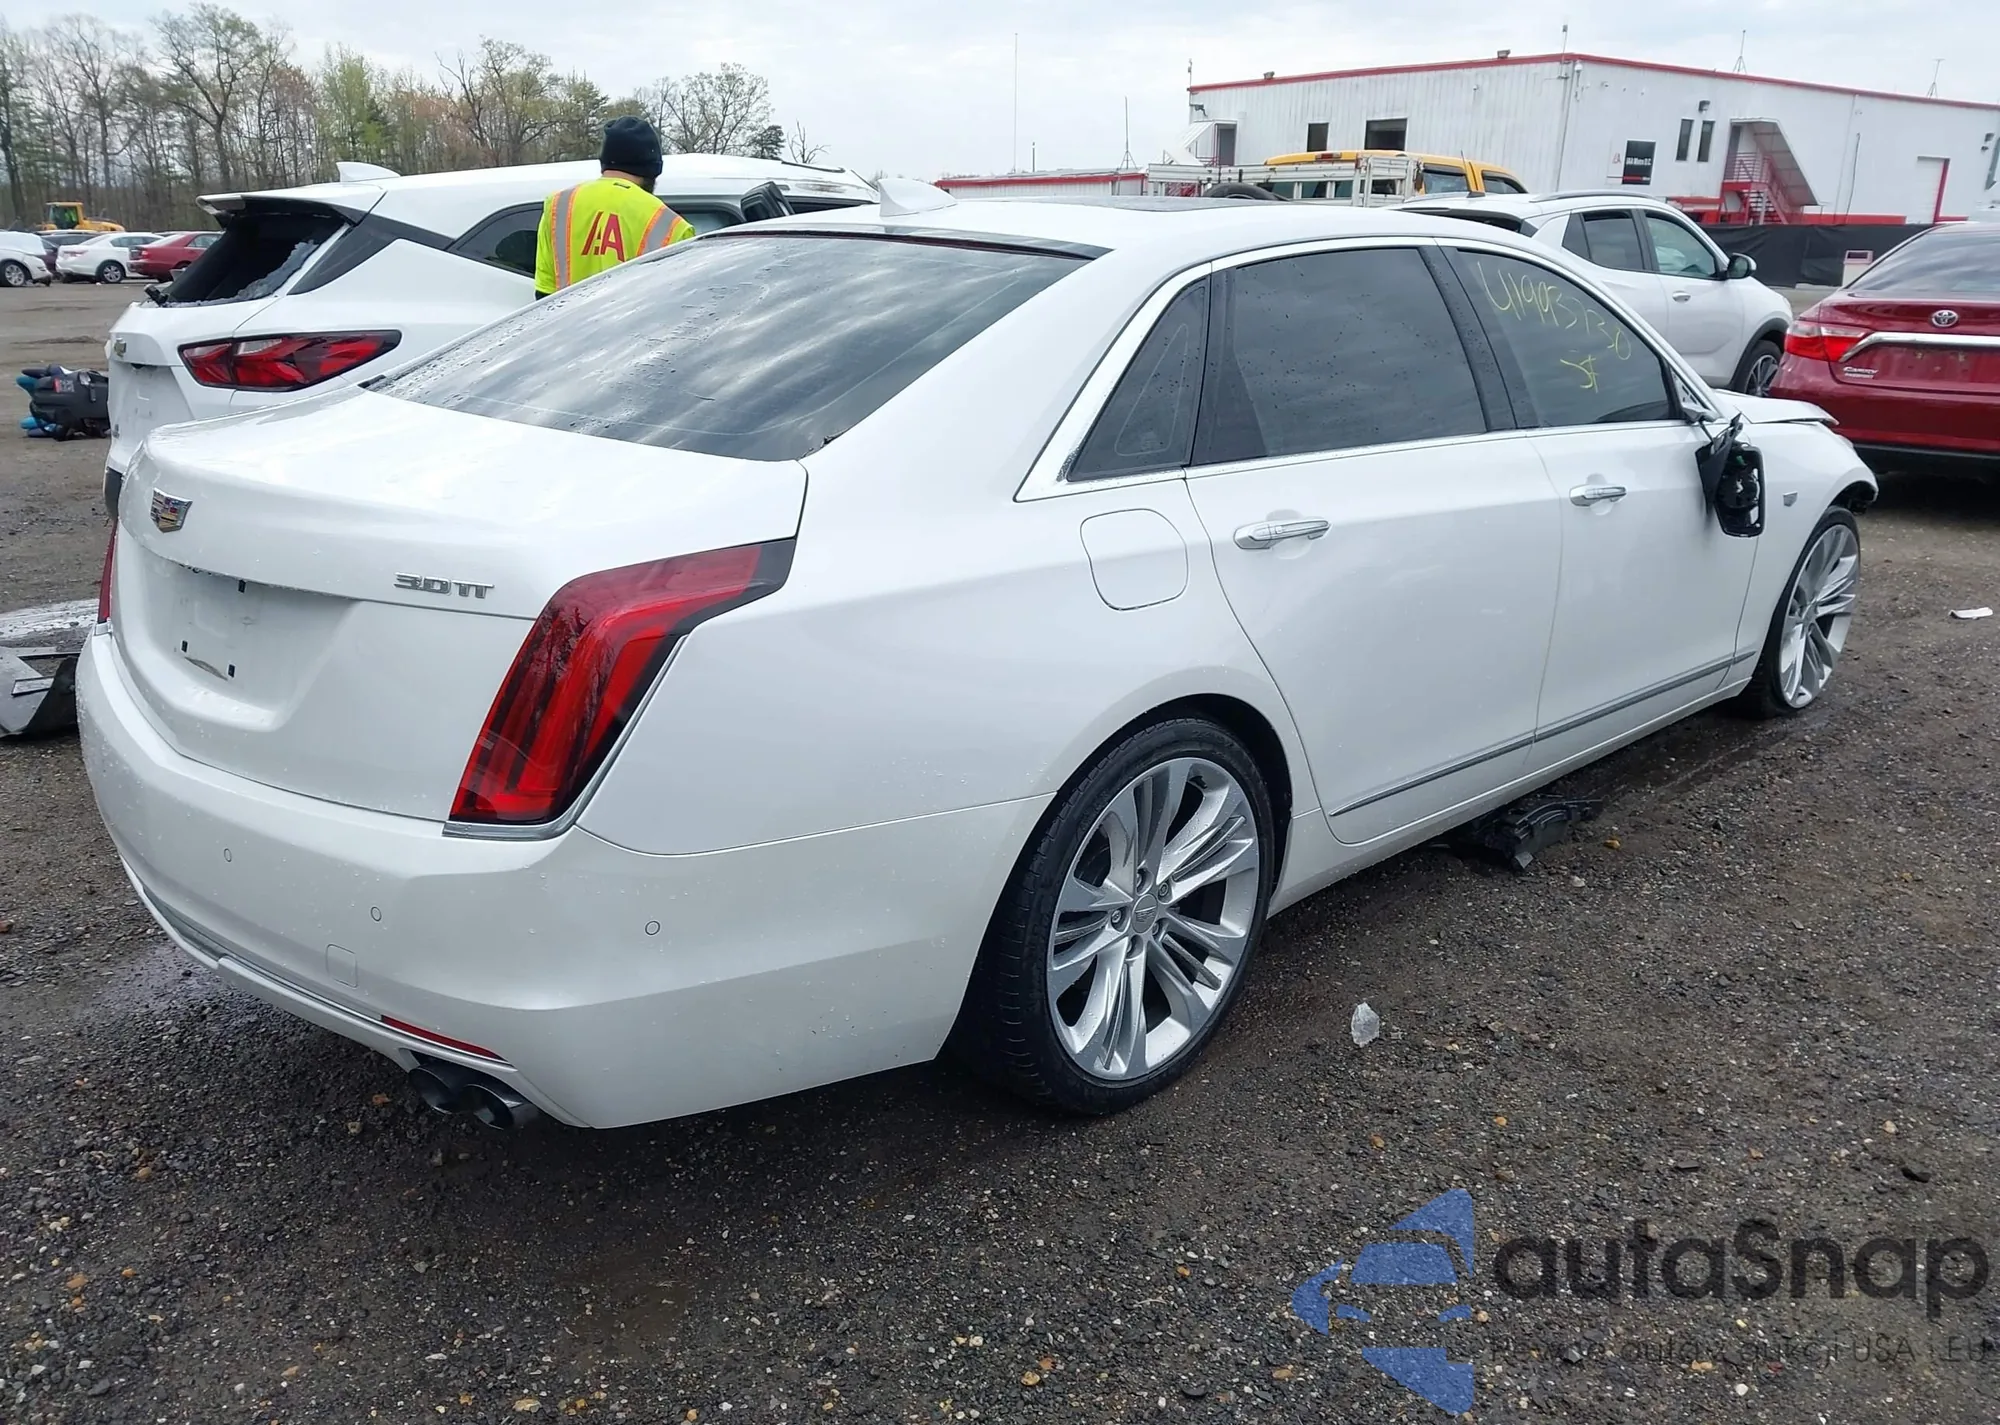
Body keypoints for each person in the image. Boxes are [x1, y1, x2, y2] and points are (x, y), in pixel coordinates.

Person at [534, 116, 696, 298]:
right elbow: (679, 303)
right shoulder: (672, 227)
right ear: (653, 171)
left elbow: (544, 294)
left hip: (570, 317)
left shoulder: (558, 205)